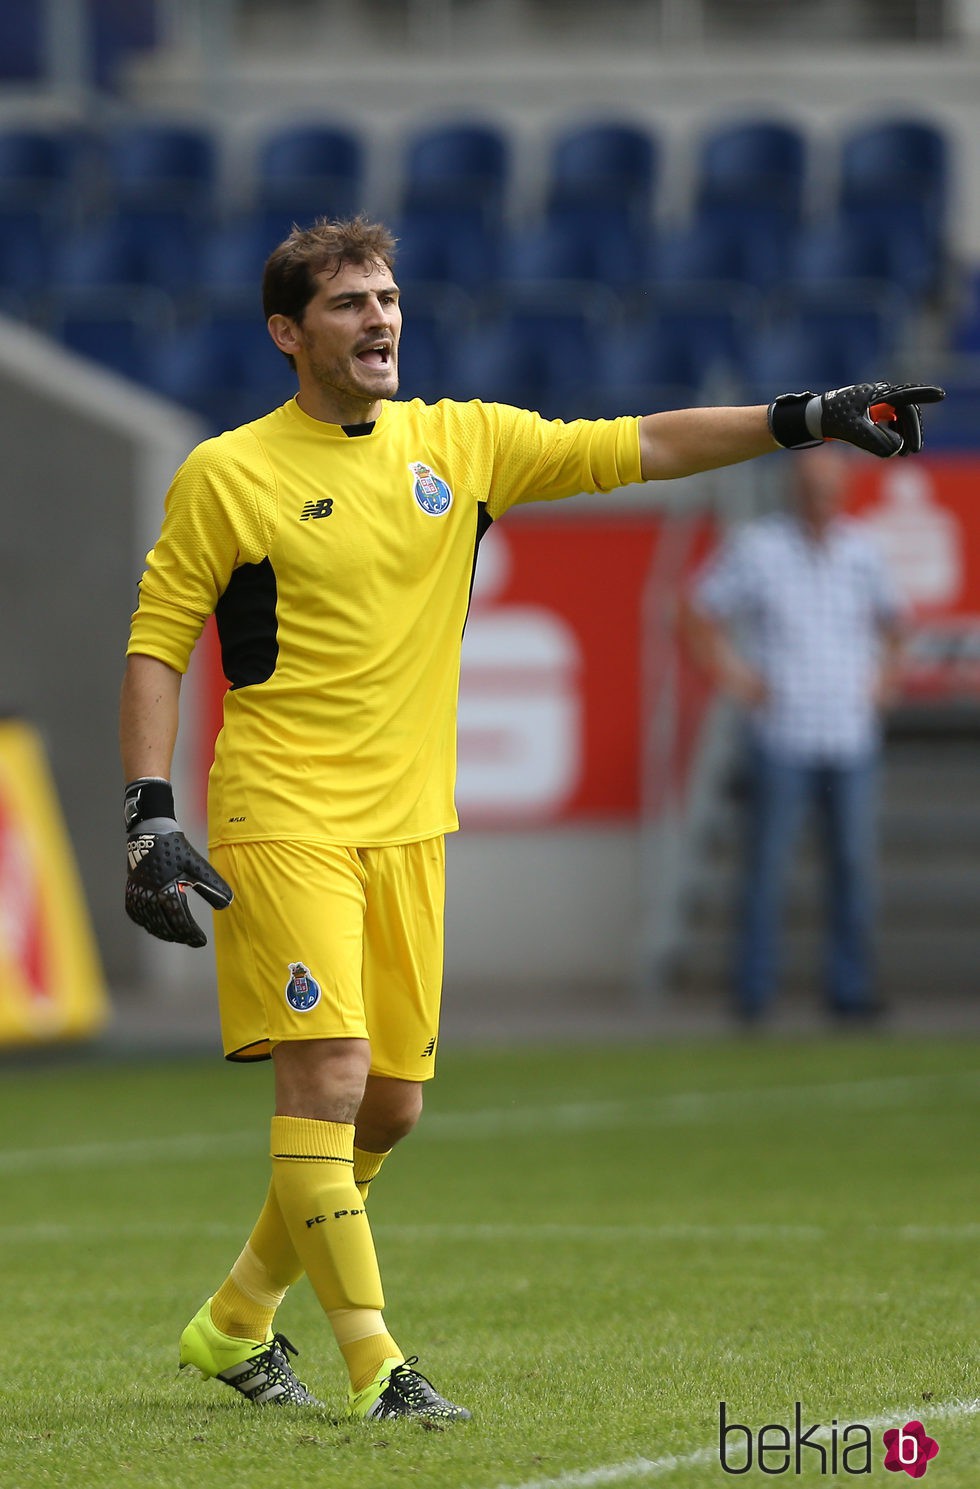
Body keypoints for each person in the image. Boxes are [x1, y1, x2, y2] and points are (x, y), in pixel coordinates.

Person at [119, 214, 941, 1421]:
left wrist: (802, 416)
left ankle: (237, 1319)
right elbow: (157, 642)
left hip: (407, 825)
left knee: (391, 1103)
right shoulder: (228, 472)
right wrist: (149, 813)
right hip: (280, 814)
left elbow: (644, 443)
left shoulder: (464, 443)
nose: (381, 318)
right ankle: (376, 1367)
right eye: (349, 304)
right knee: (331, 1077)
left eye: (388, 297)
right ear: (286, 334)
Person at [681, 443, 908, 1026]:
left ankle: (850, 990)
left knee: (853, 867)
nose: (820, 498)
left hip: (849, 731)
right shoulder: (760, 549)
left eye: (829, 488)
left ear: (844, 491)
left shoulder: (862, 551)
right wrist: (736, 676)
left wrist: (884, 681)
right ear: (793, 491)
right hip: (782, 731)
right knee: (766, 868)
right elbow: (695, 613)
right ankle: (754, 993)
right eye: (811, 487)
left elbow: (895, 625)